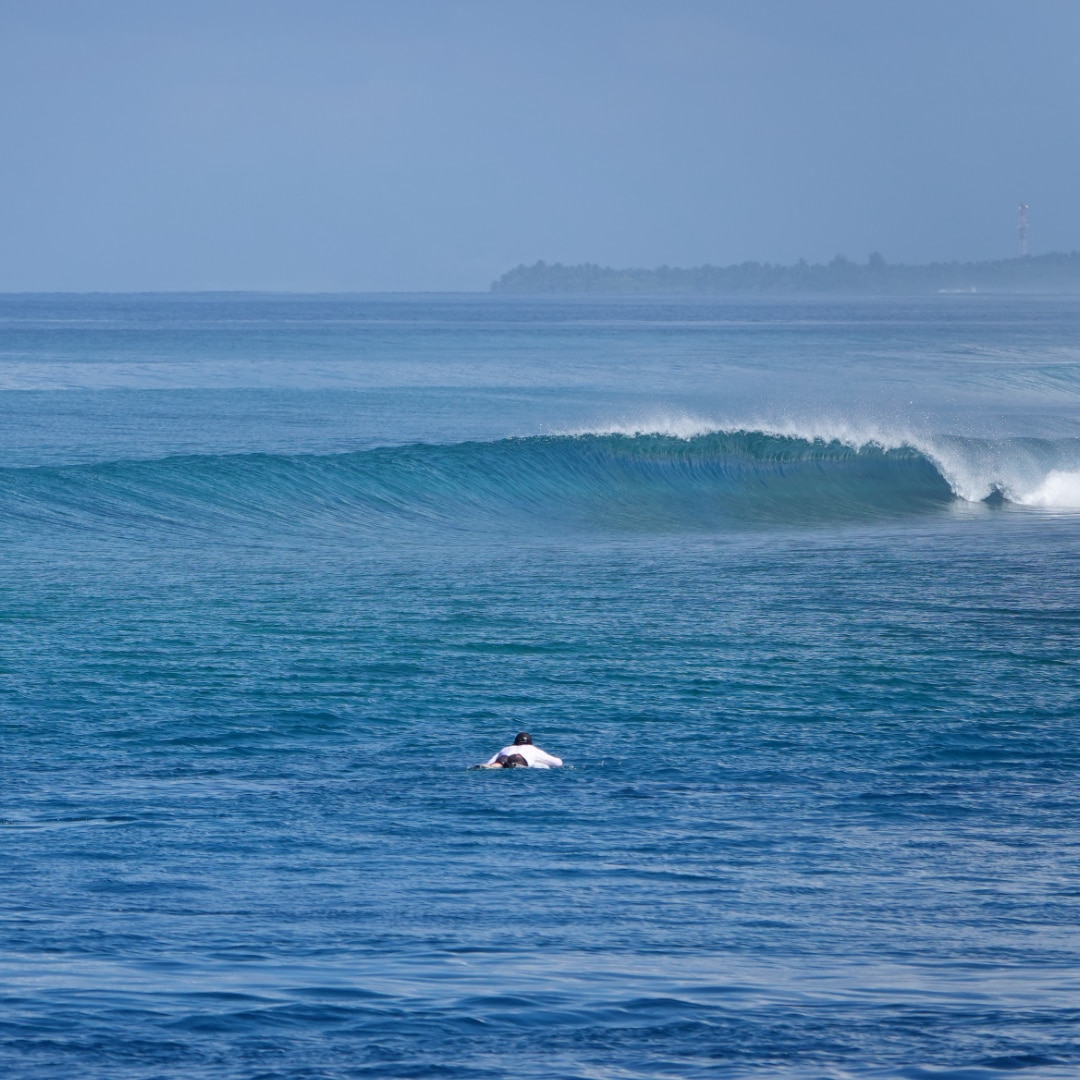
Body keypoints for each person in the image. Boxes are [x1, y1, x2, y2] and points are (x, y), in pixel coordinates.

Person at [480, 732, 563, 769]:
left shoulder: (506, 748)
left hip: (503, 757)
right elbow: (557, 763)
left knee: (495, 765)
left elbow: (490, 761)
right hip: (519, 758)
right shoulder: (532, 749)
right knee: (516, 765)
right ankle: (514, 764)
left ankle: (496, 766)